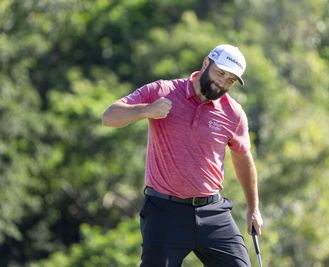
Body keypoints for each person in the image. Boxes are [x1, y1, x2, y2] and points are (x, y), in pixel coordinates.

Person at [102, 44, 263, 266]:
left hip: (212, 211)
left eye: (231, 80)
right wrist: (146, 110)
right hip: (165, 212)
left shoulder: (233, 114)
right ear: (206, 62)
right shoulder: (163, 90)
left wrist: (253, 209)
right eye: (220, 73)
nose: (223, 82)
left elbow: (243, 158)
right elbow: (109, 116)